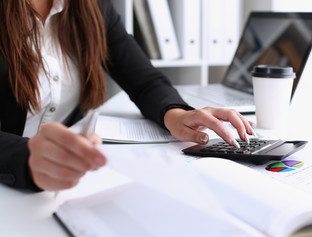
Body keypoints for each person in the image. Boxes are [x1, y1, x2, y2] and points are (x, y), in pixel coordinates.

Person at [0, 0, 254, 192]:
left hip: (60, 185)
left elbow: (143, 79)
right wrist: (28, 158)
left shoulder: (92, 7)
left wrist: (177, 114)